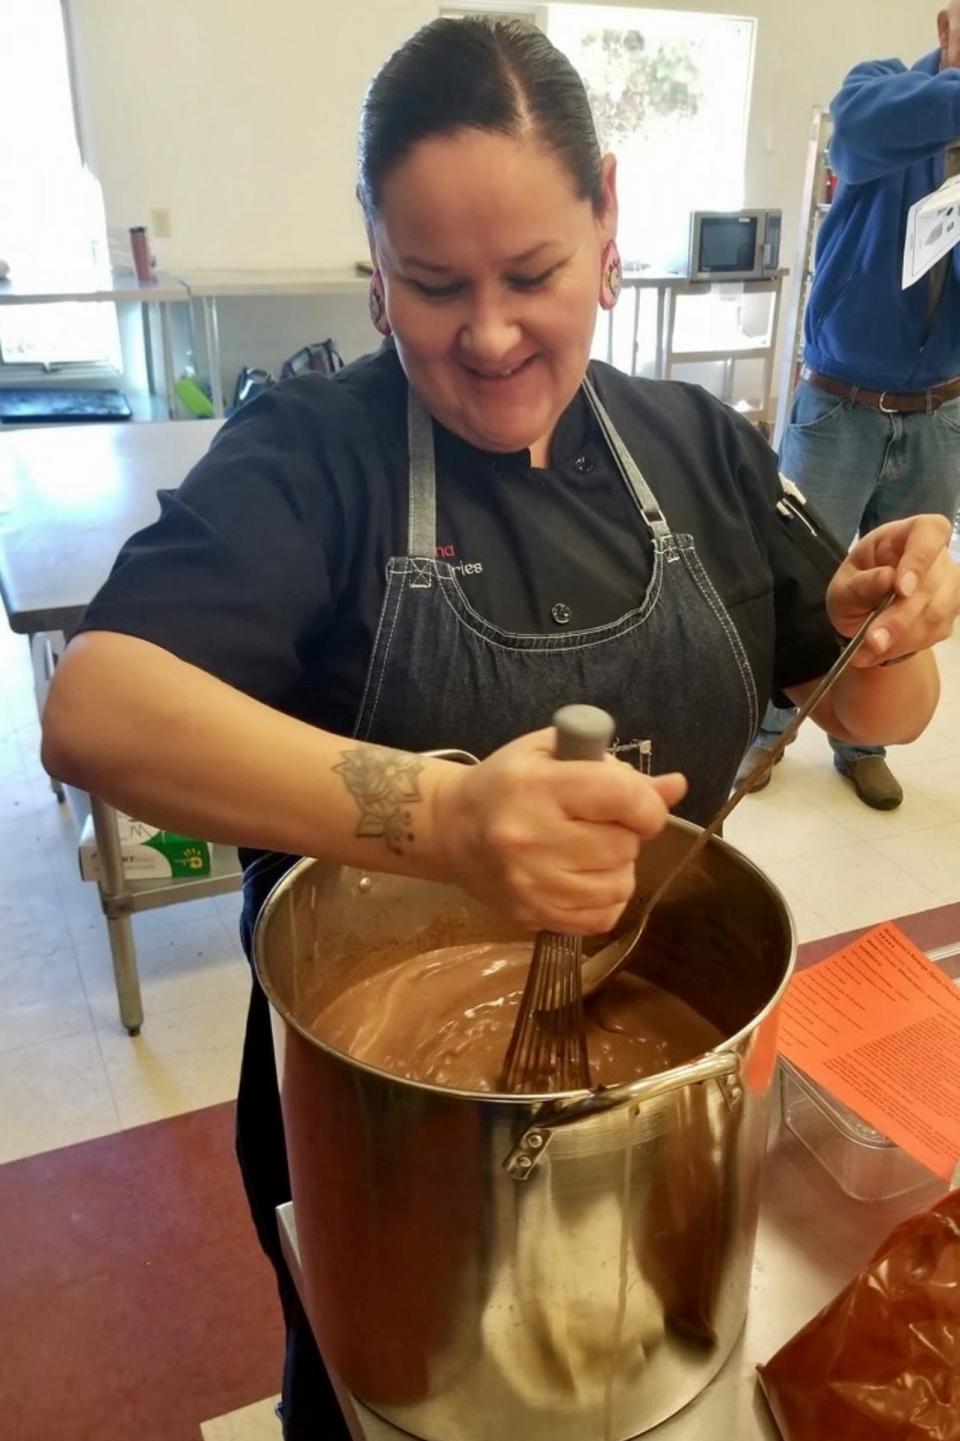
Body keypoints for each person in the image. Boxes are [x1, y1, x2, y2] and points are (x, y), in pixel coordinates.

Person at [40, 18, 960, 1441]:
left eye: (532, 273)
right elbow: (94, 708)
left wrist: (888, 621)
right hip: (387, 1149)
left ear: (605, 219)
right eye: (430, 284)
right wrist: (446, 819)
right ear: (372, 254)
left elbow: (868, 701)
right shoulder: (313, 458)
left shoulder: (699, 448)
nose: (485, 333)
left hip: (666, 1143)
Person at [738, 4, 960, 809]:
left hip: (939, 414)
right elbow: (857, 131)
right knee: (795, 581)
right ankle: (762, 733)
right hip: (838, 407)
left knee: (899, 591)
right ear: (947, 26)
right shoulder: (882, 92)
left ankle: (859, 741)